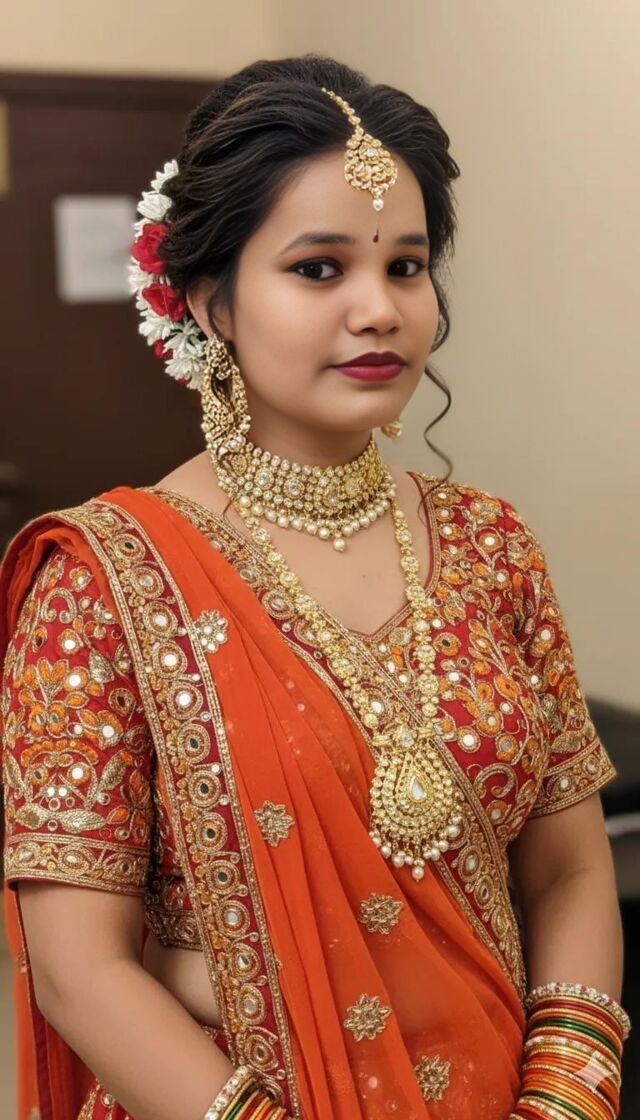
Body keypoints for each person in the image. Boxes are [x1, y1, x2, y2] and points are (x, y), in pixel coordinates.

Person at [0, 53, 630, 1120]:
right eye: (319, 267)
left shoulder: (492, 546)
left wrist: (564, 1101)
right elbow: (81, 969)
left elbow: (569, 871)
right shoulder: (103, 583)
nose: (379, 309)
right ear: (212, 301)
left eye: (407, 265)